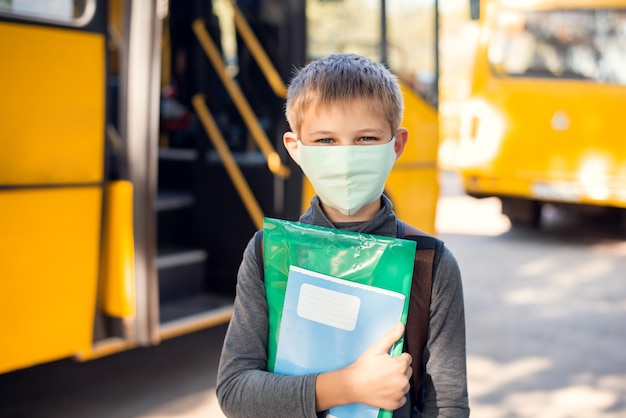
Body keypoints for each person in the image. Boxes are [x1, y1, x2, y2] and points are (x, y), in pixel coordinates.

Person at [216, 53, 469, 418]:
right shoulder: (269, 253)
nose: (347, 157)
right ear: (295, 148)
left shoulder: (430, 264)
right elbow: (235, 390)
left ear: (396, 145)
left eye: (366, 138)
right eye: (326, 141)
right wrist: (349, 386)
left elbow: (447, 406)